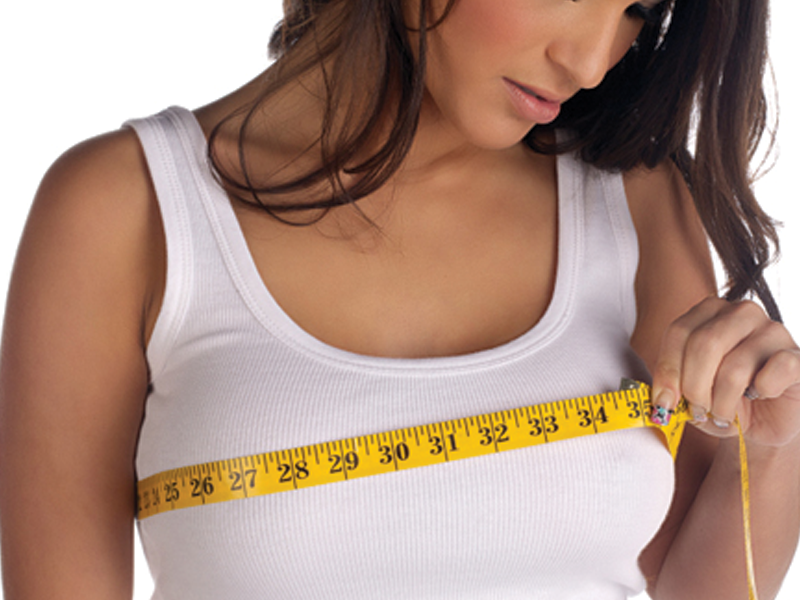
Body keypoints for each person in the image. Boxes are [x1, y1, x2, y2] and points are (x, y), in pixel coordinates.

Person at [2, 0, 799, 598]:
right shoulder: (126, 210)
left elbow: (695, 588)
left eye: (638, 10)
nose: (591, 61)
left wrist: (774, 447)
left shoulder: (635, 200)